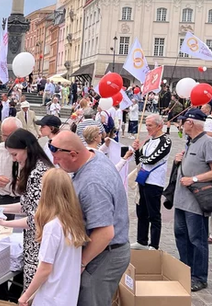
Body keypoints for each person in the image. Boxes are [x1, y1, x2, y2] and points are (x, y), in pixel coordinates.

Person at [49, 131, 130, 306]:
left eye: (58, 158)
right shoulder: (93, 157)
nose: (55, 162)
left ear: (73, 154)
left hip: (104, 254)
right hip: (103, 251)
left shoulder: (93, 182)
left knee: (90, 300)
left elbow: (105, 232)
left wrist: (81, 262)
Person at [0, 129, 54, 291]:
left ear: (26, 149)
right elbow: (27, 205)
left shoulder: (36, 174)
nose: (14, 159)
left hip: (39, 241)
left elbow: (34, 219)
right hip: (38, 239)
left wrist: (4, 223)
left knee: (35, 291)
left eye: (14, 154)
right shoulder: (41, 167)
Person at [17, 169, 89, 306]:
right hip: (68, 295)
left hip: (51, 296)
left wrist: (26, 295)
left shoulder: (52, 227)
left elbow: (45, 268)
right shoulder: (73, 222)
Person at [173, 108, 212, 292]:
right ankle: (185, 270)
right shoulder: (191, 141)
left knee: (197, 240)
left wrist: (194, 179)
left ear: (191, 123)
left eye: (183, 121)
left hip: (196, 202)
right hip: (181, 200)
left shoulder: (208, 142)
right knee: (181, 237)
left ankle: (199, 277)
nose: (181, 124)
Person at [130, 114, 172, 251]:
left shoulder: (165, 140)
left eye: (150, 125)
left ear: (159, 126)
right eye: (146, 125)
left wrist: (140, 156)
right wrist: (136, 151)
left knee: (153, 213)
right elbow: (139, 160)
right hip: (143, 179)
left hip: (154, 181)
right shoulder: (148, 141)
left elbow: (152, 159)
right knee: (141, 211)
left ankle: (154, 244)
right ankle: (141, 240)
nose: (147, 128)